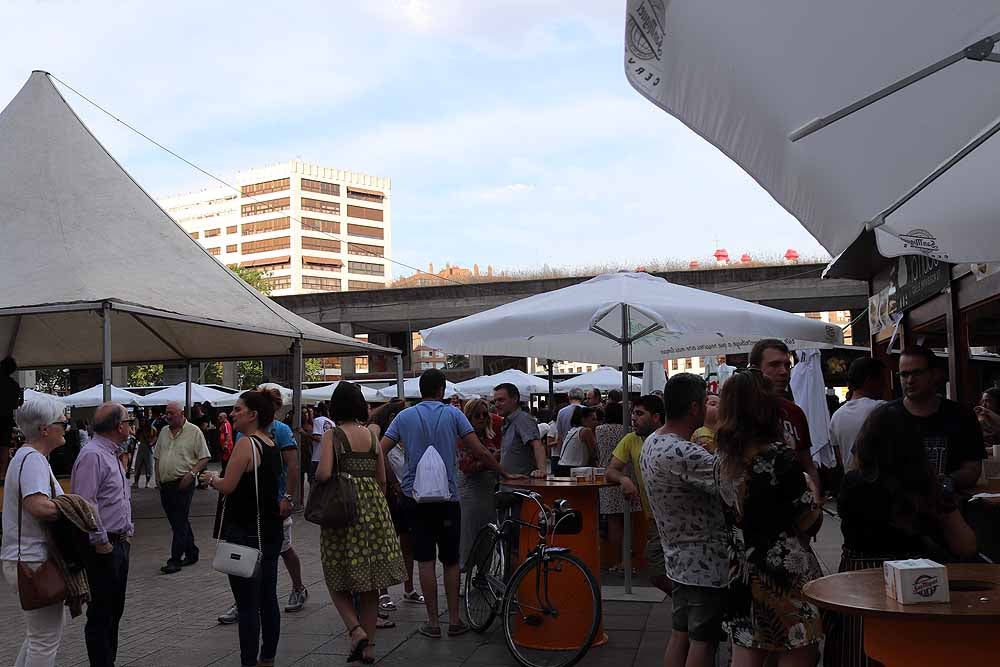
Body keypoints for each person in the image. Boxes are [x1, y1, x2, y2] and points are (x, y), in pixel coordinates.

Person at [828, 401, 978, 667]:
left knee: (860, 651)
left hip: (860, 585)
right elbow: (965, 545)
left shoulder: (852, 484)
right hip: (915, 584)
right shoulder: (926, 487)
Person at [379, 369, 522, 639]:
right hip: (448, 499)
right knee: (451, 560)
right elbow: (478, 449)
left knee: (424, 560)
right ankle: (454, 620)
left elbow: (380, 448)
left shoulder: (404, 416)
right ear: (441, 390)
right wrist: (504, 473)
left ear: (420, 390)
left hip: (414, 498)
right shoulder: (454, 414)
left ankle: (433, 623)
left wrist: (391, 482)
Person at [715, 369, 824, 666]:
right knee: (799, 651)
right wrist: (813, 490)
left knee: (746, 656)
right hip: (783, 578)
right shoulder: (779, 458)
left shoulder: (722, 460)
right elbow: (809, 522)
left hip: (741, 574)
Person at [641, 374, 728, 667]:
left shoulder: (654, 441)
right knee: (703, 640)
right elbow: (731, 482)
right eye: (706, 402)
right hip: (705, 561)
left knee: (681, 633)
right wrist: (717, 429)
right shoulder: (683, 451)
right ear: (694, 408)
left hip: (678, 557)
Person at [317, 381, 405, 664]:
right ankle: (369, 648)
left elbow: (323, 473)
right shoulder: (370, 435)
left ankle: (355, 631)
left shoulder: (333, 435)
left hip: (344, 511)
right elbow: (382, 478)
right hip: (374, 510)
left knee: (334, 573)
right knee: (370, 583)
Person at [201, 390, 284, 667]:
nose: (232, 413)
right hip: (270, 532)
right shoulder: (270, 444)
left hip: (246, 534)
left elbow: (228, 485)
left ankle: (248, 661)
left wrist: (213, 478)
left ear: (253, 414)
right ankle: (268, 658)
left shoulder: (246, 445)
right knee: (268, 599)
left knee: (248, 605)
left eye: (238, 409)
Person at [1, 395, 68, 666]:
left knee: (39, 636)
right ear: (45, 428)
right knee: (44, 640)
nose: (66, 426)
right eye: (62, 422)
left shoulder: (27, 457)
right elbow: (38, 506)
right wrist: (76, 510)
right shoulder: (33, 459)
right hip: (33, 560)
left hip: (26, 559)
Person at [70, 402, 135, 667]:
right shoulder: (92, 455)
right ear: (119, 426)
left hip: (118, 544)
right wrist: (101, 542)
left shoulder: (111, 453)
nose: (132, 426)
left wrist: (126, 534)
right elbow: (85, 504)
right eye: (129, 421)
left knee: (113, 612)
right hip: (103, 548)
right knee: (102, 615)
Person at [880, 346, 985, 491]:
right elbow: (863, 465)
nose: (909, 380)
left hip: (948, 507)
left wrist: (949, 481)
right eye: (904, 374)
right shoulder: (884, 416)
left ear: (935, 374)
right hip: (898, 508)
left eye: (917, 373)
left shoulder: (962, 415)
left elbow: (973, 468)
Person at [607, 395, 669, 593]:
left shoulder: (669, 438)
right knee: (658, 571)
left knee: (662, 569)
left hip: (677, 517)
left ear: (656, 417)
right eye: (633, 413)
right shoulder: (631, 439)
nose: (633, 418)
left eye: (640, 414)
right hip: (653, 518)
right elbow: (611, 470)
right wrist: (624, 479)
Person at [750, 339, 822, 501]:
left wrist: (816, 500)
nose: (783, 371)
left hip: (796, 510)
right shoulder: (740, 411)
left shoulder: (794, 412)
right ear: (755, 370)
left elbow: (807, 464)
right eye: (774, 365)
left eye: (787, 365)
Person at [371, 400, 423, 606]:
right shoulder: (384, 442)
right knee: (383, 545)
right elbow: (379, 461)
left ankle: (409, 588)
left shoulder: (410, 440)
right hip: (388, 496)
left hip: (408, 496)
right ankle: (382, 592)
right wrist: (393, 484)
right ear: (393, 419)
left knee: (407, 544)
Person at [154, 401, 211, 574]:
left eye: (171, 413)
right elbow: (157, 456)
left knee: (179, 521)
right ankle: (192, 552)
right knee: (178, 521)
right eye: (166, 413)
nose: (168, 416)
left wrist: (191, 474)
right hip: (166, 484)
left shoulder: (194, 431)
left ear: (181, 413)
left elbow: (205, 457)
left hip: (183, 482)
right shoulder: (164, 431)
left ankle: (175, 559)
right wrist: (157, 478)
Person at [457, 398, 502, 570]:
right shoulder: (464, 438)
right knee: (468, 535)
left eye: (485, 414)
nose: (482, 418)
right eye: (478, 415)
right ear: (469, 417)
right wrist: (491, 461)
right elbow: (466, 466)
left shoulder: (488, 435)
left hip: (487, 492)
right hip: (471, 492)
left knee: (488, 534)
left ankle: (483, 572)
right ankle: (465, 571)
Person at [829, 357, 886, 471]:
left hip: (851, 483)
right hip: (880, 484)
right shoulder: (881, 409)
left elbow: (840, 457)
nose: (884, 385)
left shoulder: (836, 416)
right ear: (869, 381)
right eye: (882, 380)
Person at [595, 401, 630, 572]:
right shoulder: (628, 430)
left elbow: (597, 452)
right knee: (627, 522)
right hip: (626, 475)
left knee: (613, 522)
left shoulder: (599, 430)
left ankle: (616, 560)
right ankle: (626, 560)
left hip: (607, 476)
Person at [494, 383, 547, 478]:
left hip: (522, 486)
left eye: (501, 400)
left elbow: (537, 445)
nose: (497, 404)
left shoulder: (523, 418)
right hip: (510, 486)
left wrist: (541, 471)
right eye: (495, 401)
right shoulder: (508, 421)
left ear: (514, 399)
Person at [0, 356, 21, 478]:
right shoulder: (14, 385)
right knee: (4, 446)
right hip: (6, 419)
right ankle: (2, 475)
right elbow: (14, 405)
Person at [554, 387, 585, 459]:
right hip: (582, 452)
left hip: (566, 452)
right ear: (582, 397)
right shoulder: (586, 410)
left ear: (569, 397)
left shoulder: (562, 412)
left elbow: (559, 436)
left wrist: (560, 455)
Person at [309, 402, 334, 482]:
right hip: (329, 457)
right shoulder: (332, 423)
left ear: (318, 411)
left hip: (317, 456)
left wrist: (305, 433)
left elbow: (317, 437)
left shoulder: (317, 420)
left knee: (314, 483)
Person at [132, 416, 157, 488]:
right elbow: (137, 438)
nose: (142, 422)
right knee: (138, 465)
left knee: (149, 465)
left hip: (148, 447)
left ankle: (147, 482)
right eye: (141, 421)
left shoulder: (152, 429)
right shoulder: (139, 430)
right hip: (141, 447)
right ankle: (136, 482)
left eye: (143, 421)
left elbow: (155, 437)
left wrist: (151, 443)